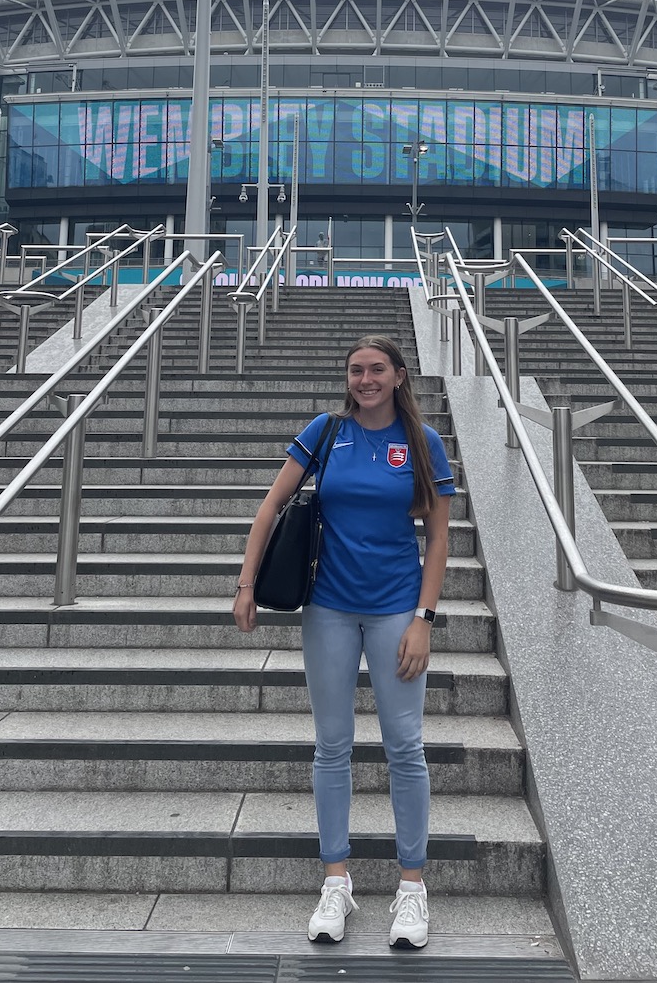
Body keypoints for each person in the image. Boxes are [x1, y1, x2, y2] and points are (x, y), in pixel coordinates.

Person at [233, 334, 454, 950]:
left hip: (395, 611)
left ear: (401, 376)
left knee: (404, 746)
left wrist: (424, 619)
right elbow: (271, 506)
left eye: (376, 369)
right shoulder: (327, 431)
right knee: (332, 746)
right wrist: (246, 583)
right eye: (355, 369)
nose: (365, 379)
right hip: (327, 607)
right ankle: (337, 880)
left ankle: (412, 889)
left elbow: (438, 538)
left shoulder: (422, 444)